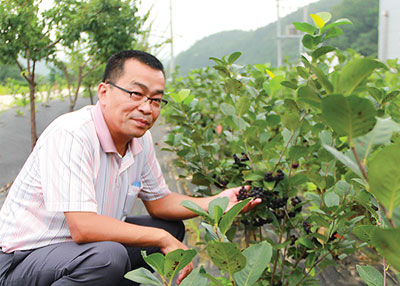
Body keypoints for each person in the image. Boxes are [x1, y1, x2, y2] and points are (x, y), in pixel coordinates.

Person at [0, 50, 260, 286]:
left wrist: (218, 202)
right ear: (104, 92)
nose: (146, 108)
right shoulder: (71, 134)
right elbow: (83, 227)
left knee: (170, 228)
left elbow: (159, 202)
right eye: (136, 94)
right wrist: (160, 238)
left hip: (77, 252)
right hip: (20, 261)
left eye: (156, 100)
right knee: (108, 256)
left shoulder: (140, 139)